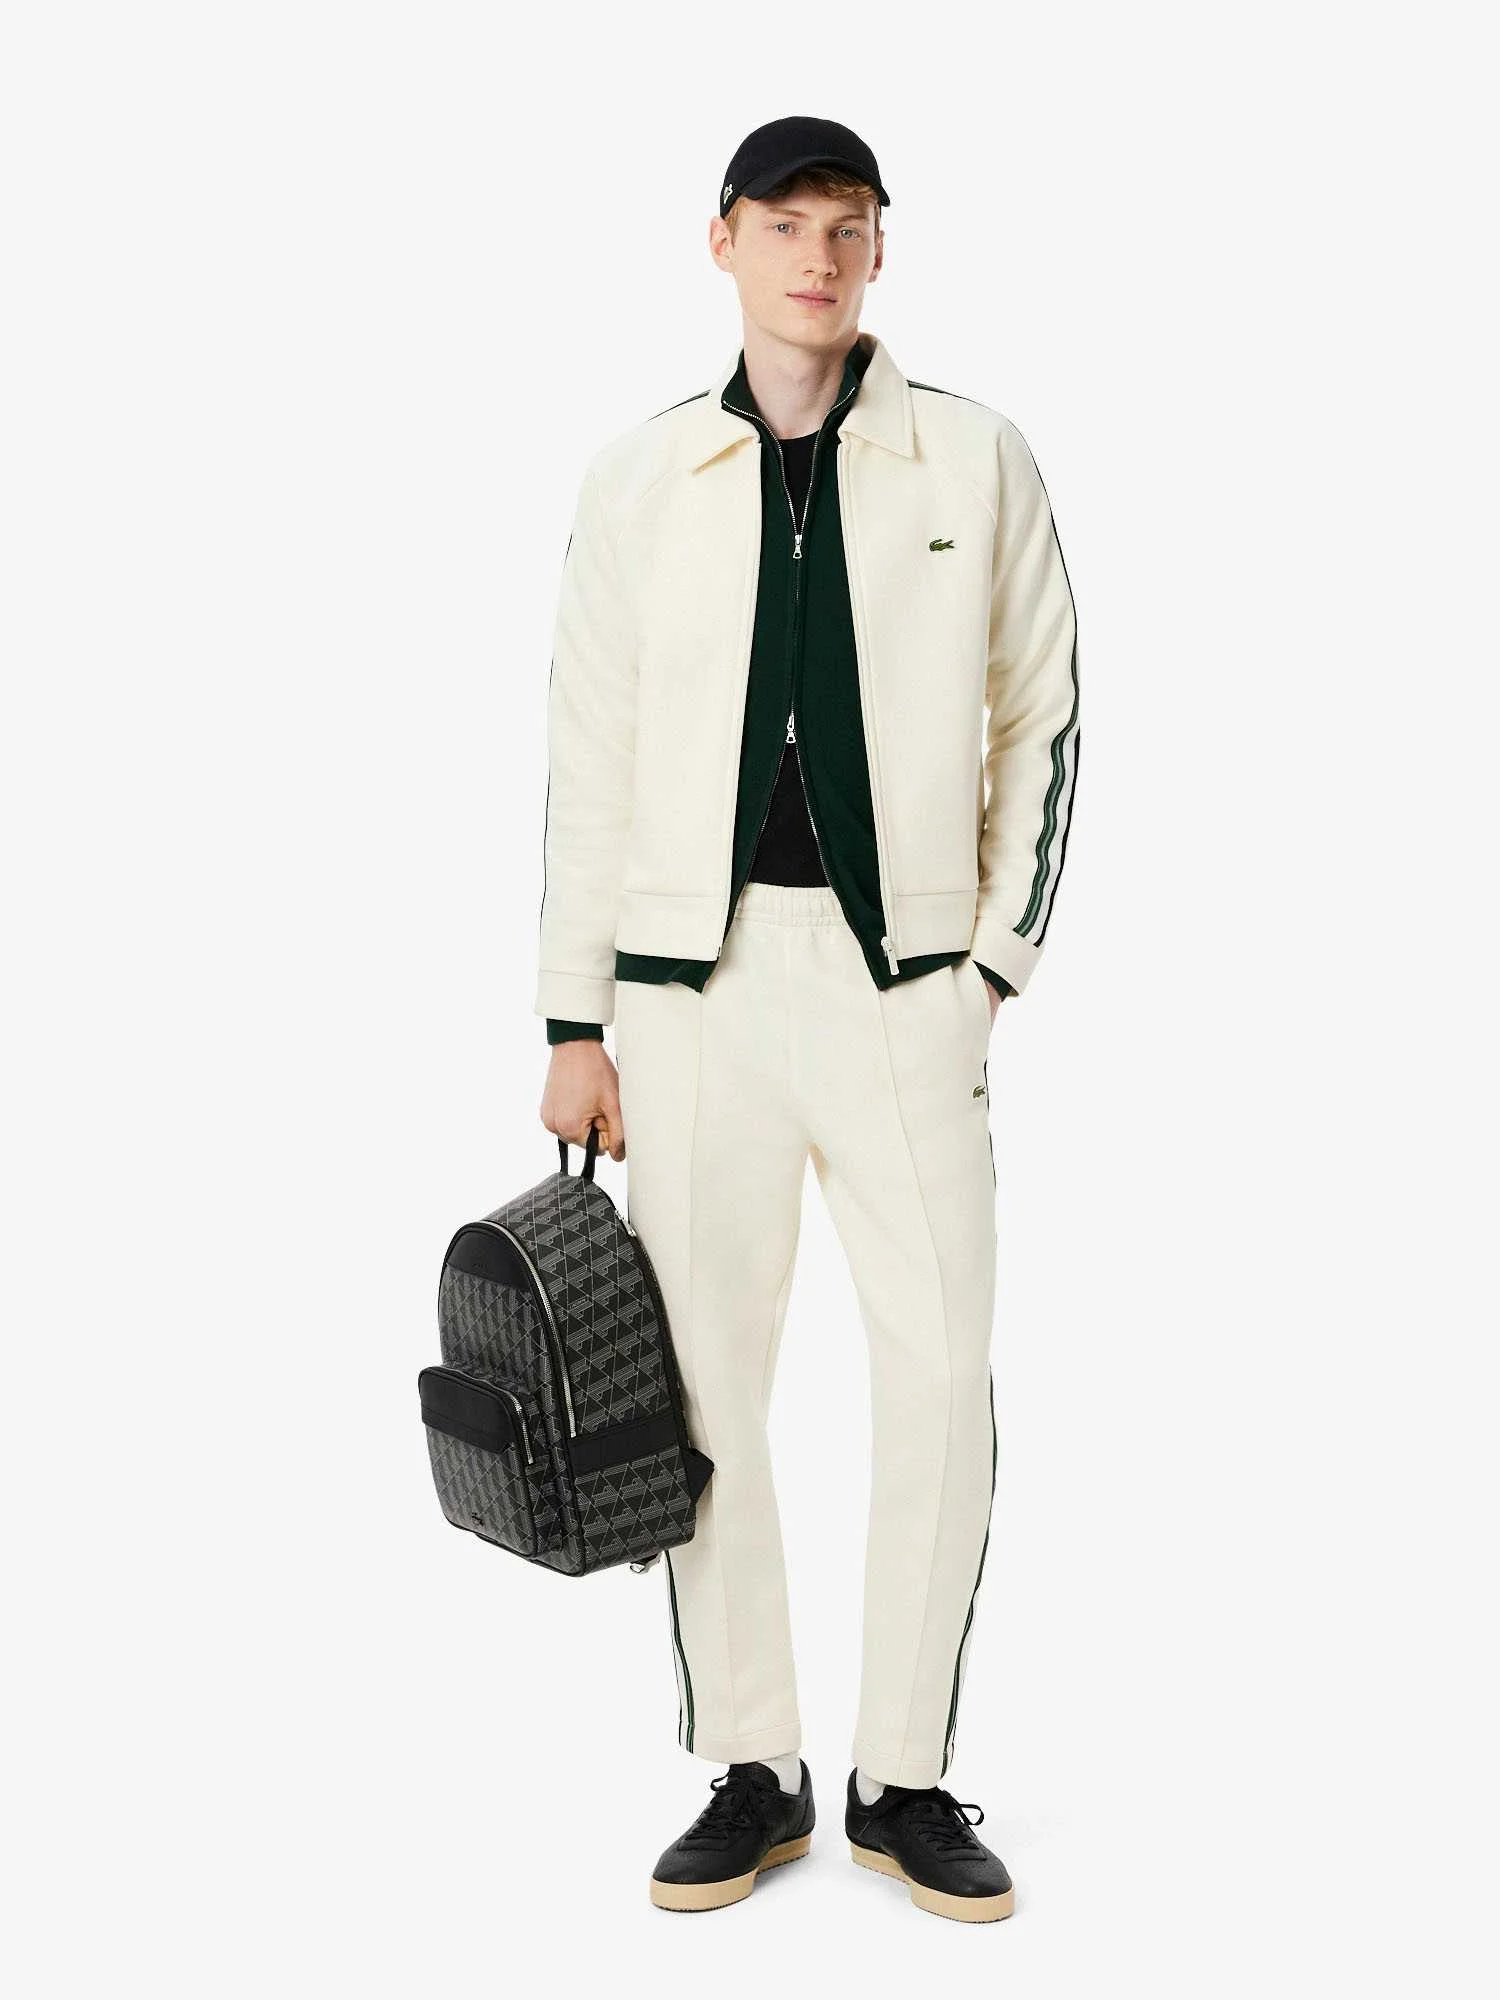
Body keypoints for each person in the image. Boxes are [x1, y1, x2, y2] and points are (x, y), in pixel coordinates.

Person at [534, 115, 1079, 1923]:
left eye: (848, 228)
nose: (818, 259)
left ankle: (902, 1775)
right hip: (689, 996)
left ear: (879, 251)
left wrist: (989, 967)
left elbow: (1043, 713)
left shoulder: (974, 456)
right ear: (724, 243)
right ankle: (751, 1766)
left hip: (904, 988)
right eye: (785, 226)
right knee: (704, 1387)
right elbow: (591, 755)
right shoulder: (642, 479)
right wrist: (576, 1017)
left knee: (937, 1373)